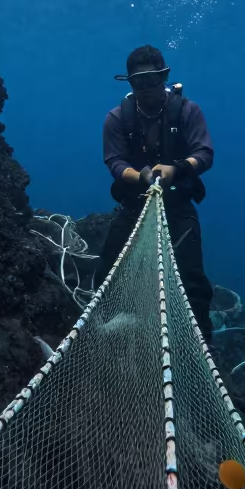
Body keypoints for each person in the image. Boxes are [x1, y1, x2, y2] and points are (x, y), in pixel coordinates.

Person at [94, 44, 214, 340]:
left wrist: (177, 169)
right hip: (135, 206)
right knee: (106, 274)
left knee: (193, 281)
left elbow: (205, 153)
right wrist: (141, 177)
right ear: (130, 83)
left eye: (152, 80)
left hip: (178, 206)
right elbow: (114, 161)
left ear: (165, 76)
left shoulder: (188, 111)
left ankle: (202, 346)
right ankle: (98, 336)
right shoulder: (117, 118)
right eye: (138, 82)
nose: (146, 89)